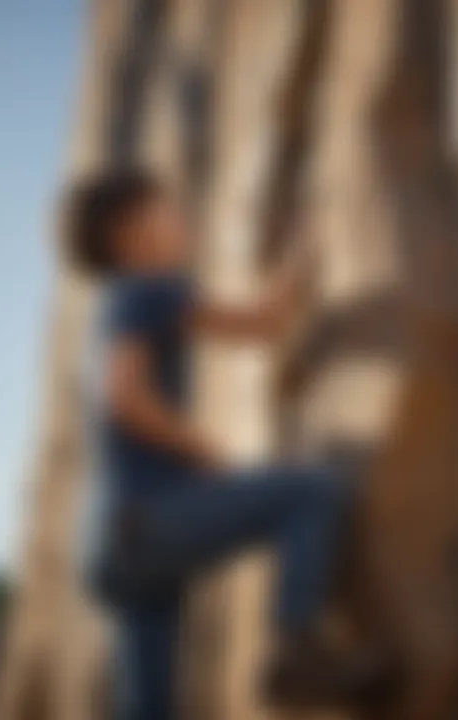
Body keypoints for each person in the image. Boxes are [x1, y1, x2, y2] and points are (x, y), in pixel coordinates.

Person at [67, 169, 388, 719]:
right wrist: (200, 446)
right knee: (310, 491)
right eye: (167, 210)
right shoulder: (149, 288)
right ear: (129, 232)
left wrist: (292, 267)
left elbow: (261, 323)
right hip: (145, 522)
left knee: (148, 706)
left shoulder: (119, 303)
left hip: (109, 545)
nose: (181, 218)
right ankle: (297, 651)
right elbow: (123, 394)